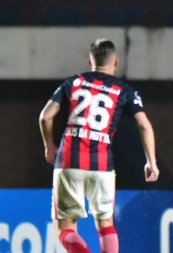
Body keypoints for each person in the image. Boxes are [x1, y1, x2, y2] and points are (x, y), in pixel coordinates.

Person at [39, 39, 159, 253]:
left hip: (69, 160)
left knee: (65, 227)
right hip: (102, 163)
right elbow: (144, 124)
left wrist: (49, 145)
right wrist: (151, 161)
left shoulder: (73, 82)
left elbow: (46, 116)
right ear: (116, 63)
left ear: (90, 61)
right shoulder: (124, 90)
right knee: (105, 224)